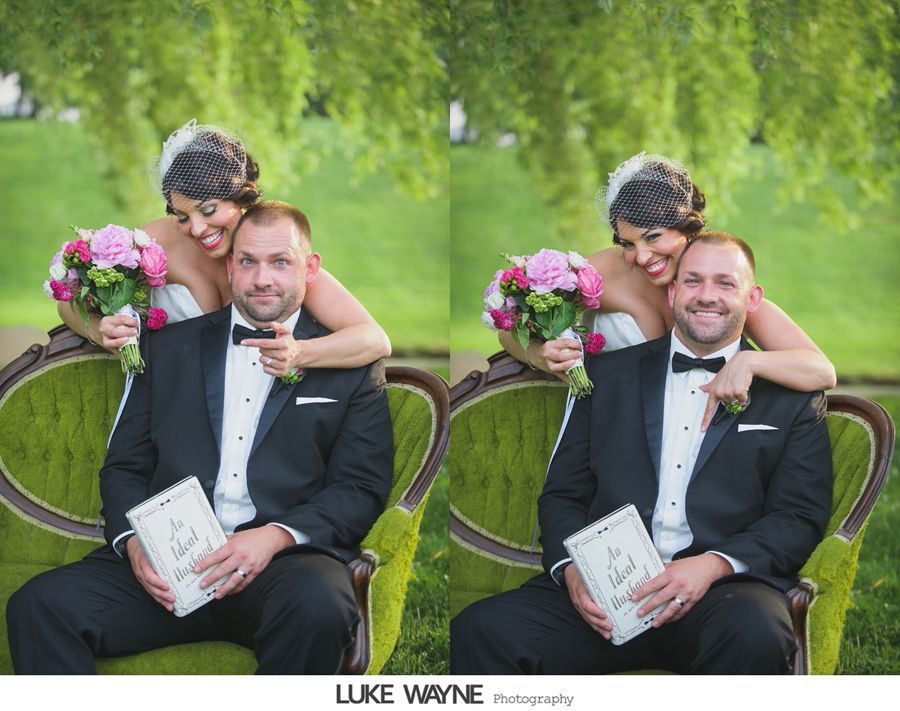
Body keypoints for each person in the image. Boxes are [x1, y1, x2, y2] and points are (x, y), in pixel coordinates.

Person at [7, 200, 394, 674]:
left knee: (320, 605)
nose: (262, 278)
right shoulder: (166, 349)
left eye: (280, 262)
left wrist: (273, 538)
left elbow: (360, 487)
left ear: (309, 269)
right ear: (230, 266)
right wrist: (133, 543)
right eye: (248, 261)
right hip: (168, 569)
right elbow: (125, 467)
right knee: (39, 606)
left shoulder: (346, 366)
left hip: (282, 567)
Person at [452, 232, 833, 674]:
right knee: (479, 630)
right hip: (605, 596)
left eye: (725, 283)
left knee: (757, 632)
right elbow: (562, 495)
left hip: (723, 595)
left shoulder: (790, 395)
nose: (706, 296)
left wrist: (711, 566)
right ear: (672, 291)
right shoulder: (606, 378)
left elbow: (798, 516)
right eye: (692, 281)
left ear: (753, 299)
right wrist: (572, 572)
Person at [500, 153, 836, 429]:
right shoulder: (599, 273)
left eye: (653, 237)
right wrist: (540, 356)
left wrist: (749, 363)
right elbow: (511, 327)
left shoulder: (714, 286)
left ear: (686, 225)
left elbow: (820, 370)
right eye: (628, 243)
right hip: (607, 429)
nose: (642, 257)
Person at [59, 119, 390, 375]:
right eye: (182, 216)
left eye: (207, 210)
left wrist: (300, 353)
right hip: (169, 402)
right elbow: (69, 301)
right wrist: (97, 329)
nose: (197, 229)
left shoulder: (270, 249)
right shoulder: (151, 246)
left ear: (240, 197)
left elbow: (374, 339)